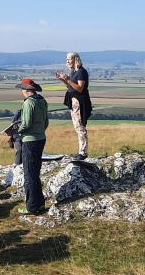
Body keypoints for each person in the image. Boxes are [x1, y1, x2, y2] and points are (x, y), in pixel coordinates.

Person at [15, 78, 49, 215]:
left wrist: (17, 131)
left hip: (29, 140)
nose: (22, 91)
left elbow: (27, 123)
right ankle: (39, 203)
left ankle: (31, 206)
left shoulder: (29, 103)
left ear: (27, 90)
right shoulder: (42, 101)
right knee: (35, 172)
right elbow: (46, 122)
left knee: (29, 174)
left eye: (22, 89)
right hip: (41, 138)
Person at [56, 51, 92, 160]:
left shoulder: (81, 72)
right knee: (77, 126)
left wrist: (67, 79)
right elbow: (71, 87)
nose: (67, 61)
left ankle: (83, 152)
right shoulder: (74, 72)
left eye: (69, 59)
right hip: (74, 100)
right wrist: (64, 80)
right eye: (66, 59)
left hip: (80, 101)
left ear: (75, 59)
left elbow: (80, 88)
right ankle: (81, 151)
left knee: (80, 126)